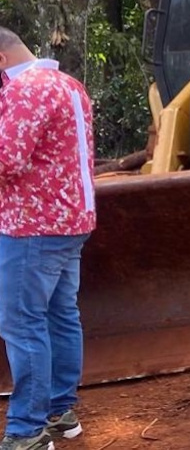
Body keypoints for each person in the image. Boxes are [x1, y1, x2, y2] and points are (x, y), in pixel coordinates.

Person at [0, 27, 97, 450]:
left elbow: (7, 159)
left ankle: (27, 430)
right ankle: (60, 411)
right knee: (60, 315)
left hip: (32, 225)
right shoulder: (69, 84)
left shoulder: (25, 89)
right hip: (73, 221)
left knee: (22, 323)